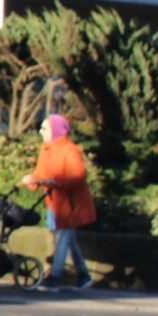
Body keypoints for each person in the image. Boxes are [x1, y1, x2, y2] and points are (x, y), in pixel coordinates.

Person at [21, 113, 96, 289]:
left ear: (55, 130)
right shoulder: (46, 148)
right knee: (68, 240)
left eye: (45, 128)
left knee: (62, 239)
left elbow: (78, 174)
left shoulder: (69, 149)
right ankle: (83, 274)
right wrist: (33, 179)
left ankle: (54, 277)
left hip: (71, 205)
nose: (41, 131)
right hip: (54, 203)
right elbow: (41, 172)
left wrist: (56, 181)